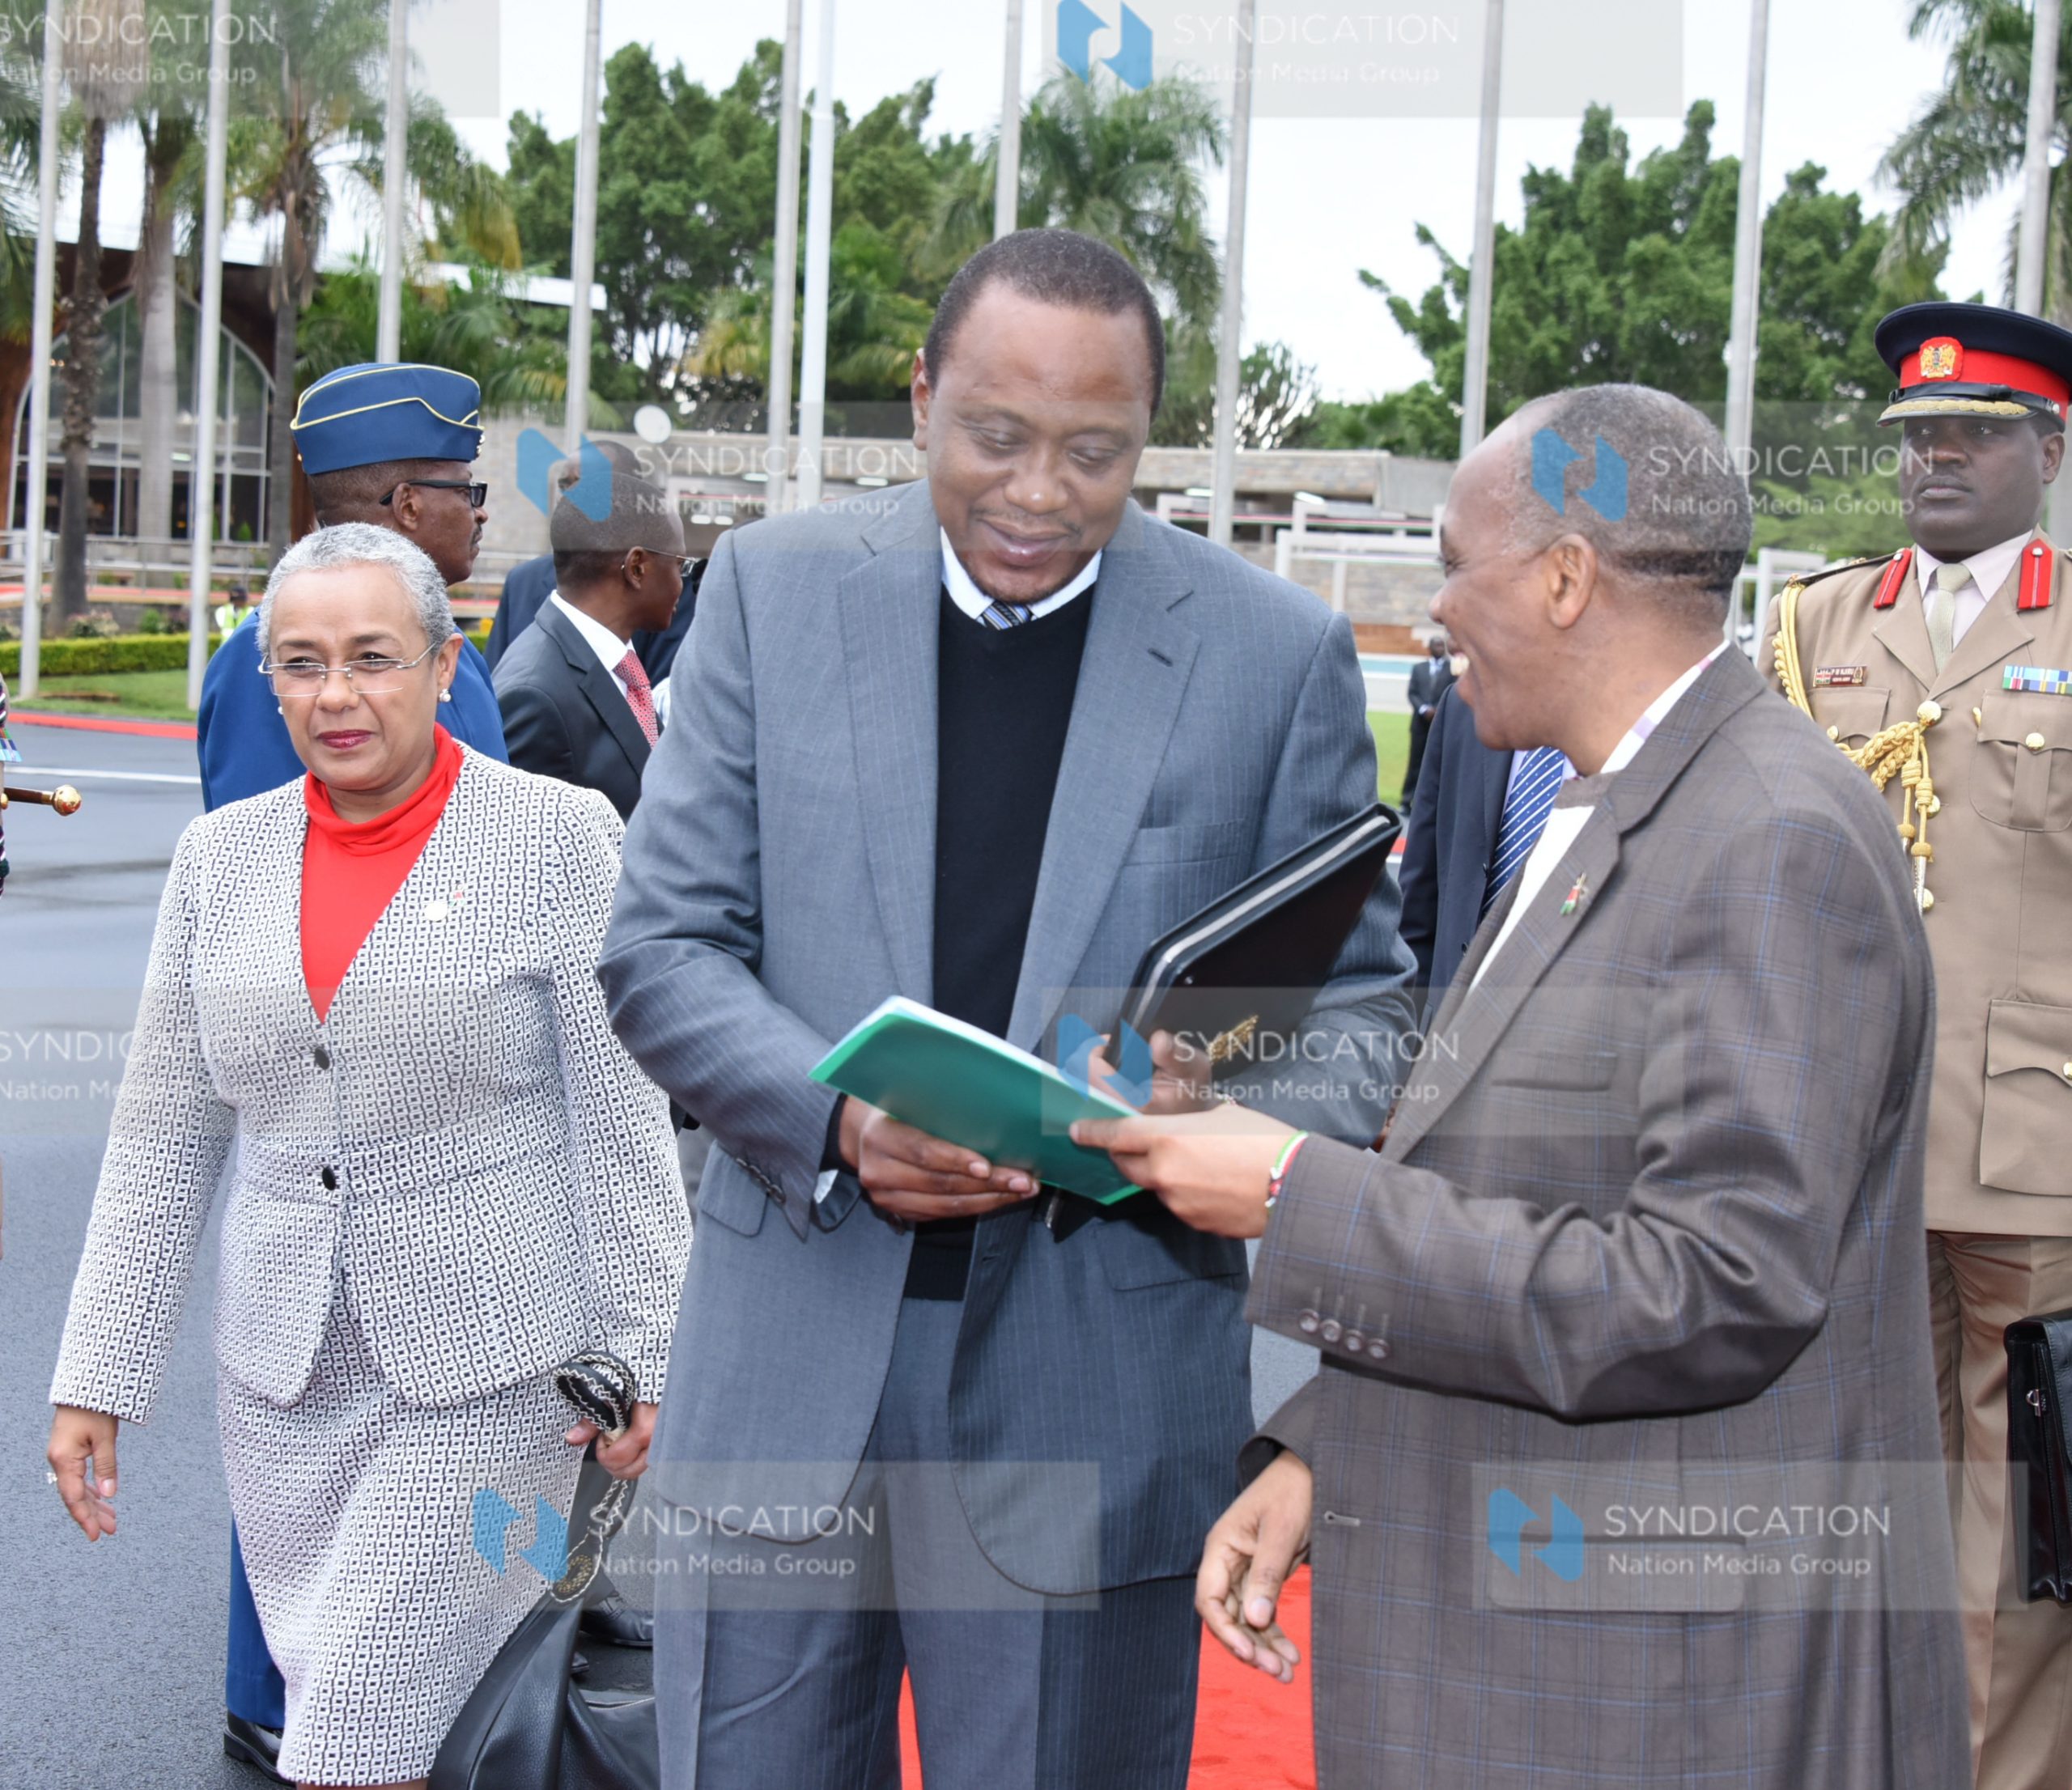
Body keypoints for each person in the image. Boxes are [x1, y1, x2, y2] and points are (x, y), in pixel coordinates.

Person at [597, 227, 1415, 1790]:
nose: (1039, 490)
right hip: (790, 1365)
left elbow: (1361, 1005)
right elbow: (664, 944)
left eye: (1095, 451)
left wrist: (1215, 1122)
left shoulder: (1271, 653)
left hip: (1091, 1392)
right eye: (997, 437)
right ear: (919, 400)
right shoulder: (770, 594)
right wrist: (836, 1118)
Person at [1073, 384, 1969, 1789]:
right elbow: (1510, 1180)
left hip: (1657, 1691)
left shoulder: (1772, 838)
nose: (1432, 611)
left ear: (1563, 581)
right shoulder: (1611, 801)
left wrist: (1292, 1192)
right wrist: (1322, 1449)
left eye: (1450, 563)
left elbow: (1711, 1287)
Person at [46, 524, 690, 1790]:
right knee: (397, 1723)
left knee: (353, 1731)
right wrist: (97, 1374)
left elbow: (621, 1118)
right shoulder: (218, 862)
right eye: (300, 663)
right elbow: (165, 1134)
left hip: (501, 1377)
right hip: (285, 1386)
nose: (335, 694)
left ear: (446, 666)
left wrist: (650, 1350)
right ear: (266, 680)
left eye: (372, 658)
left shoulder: (555, 838)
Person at [1764, 301, 2072, 1790]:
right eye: (1920, 434)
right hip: (1855, 1141)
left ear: (2049, 452)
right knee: (1859, 1483)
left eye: (1977, 432)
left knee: (2013, 1517)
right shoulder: (1822, 621)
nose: (1938, 456)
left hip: (2034, 1148)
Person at [197, 363, 508, 811]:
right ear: (409, 505)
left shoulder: (451, 646)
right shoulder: (267, 657)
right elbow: (261, 858)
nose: (479, 513)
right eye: (466, 491)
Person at [493, 444, 686, 820]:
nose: (683, 583)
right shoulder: (534, 696)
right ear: (637, 568)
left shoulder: (616, 665)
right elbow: (527, 860)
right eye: (679, 565)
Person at [1395, 677, 1573, 1024]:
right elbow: (1421, 891)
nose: (1437, 619)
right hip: (1444, 1030)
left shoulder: (1642, 719)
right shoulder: (1464, 704)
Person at [1398, 631, 1454, 806]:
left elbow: (1452, 691)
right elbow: (1412, 692)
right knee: (1415, 763)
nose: (1441, 648)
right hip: (1419, 724)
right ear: (1429, 648)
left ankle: (1432, 802)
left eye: (1442, 645)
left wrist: (1437, 710)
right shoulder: (1419, 668)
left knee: (1439, 764)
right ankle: (1406, 800)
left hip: (1440, 724)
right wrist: (1423, 709)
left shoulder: (1452, 669)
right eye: (1437, 645)